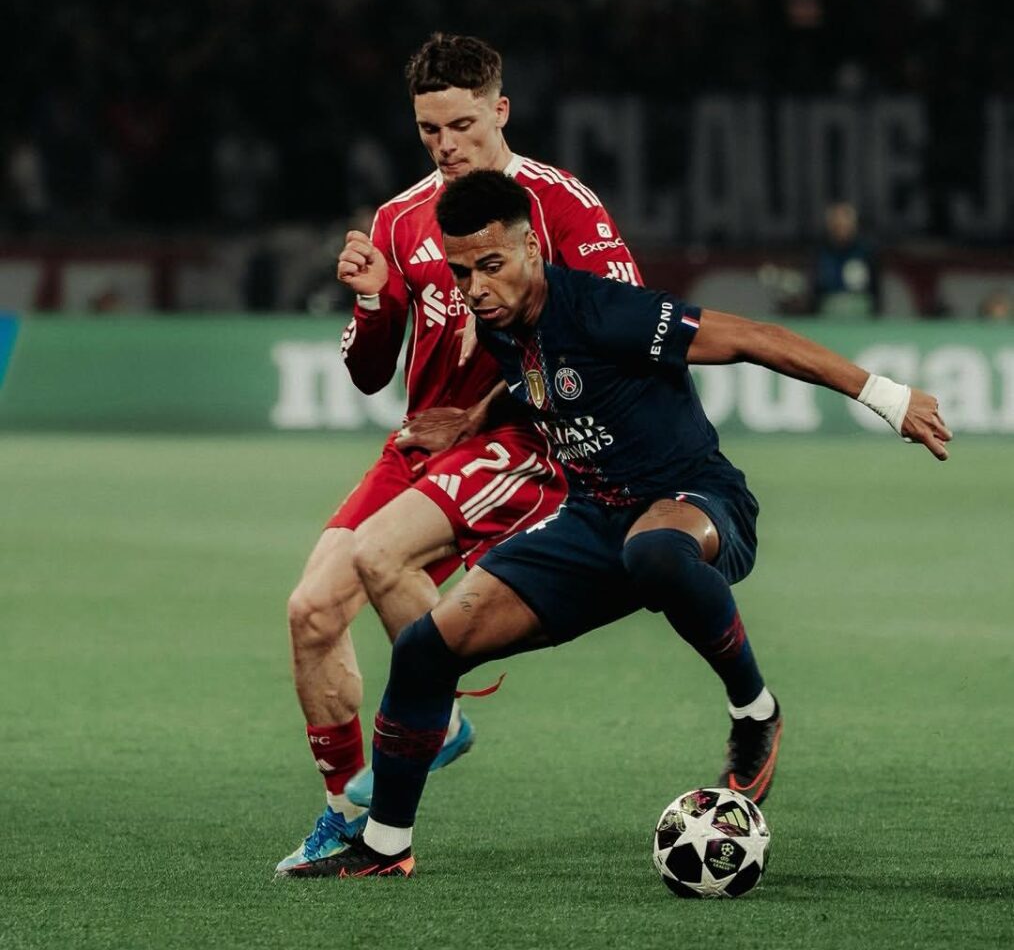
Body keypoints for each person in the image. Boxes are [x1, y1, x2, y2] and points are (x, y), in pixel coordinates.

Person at [316, 170, 952, 879]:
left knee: (654, 551)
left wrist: (887, 397)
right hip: (593, 521)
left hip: (696, 499)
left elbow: (753, 337)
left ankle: (754, 711)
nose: (477, 287)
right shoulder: (501, 322)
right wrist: (470, 420)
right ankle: (385, 846)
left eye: (491, 265)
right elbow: (533, 379)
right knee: (424, 650)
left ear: (531, 247)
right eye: (463, 273)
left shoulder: (605, 311)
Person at [277, 35, 644, 876]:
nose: (446, 145)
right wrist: (374, 304)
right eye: (429, 130)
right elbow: (370, 374)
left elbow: (618, 333)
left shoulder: (560, 206)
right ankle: (353, 822)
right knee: (311, 613)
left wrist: (493, 396)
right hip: (422, 441)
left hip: (519, 438)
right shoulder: (400, 219)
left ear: (500, 110)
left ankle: (432, 715)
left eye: (463, 125)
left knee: (379, 557)